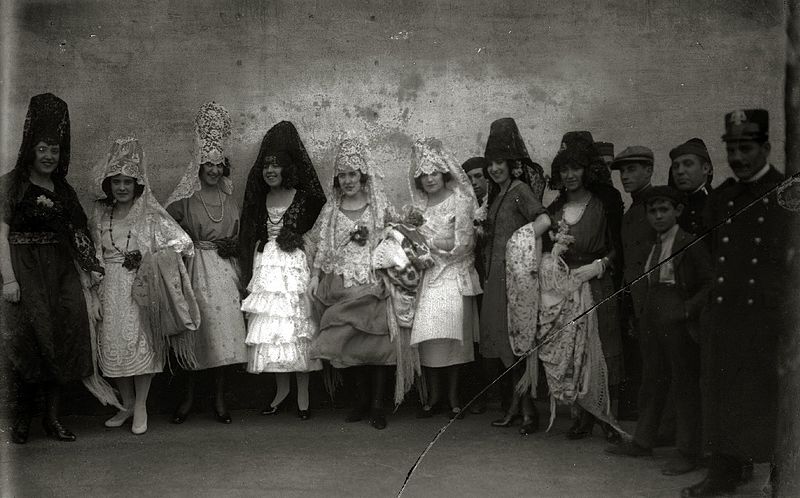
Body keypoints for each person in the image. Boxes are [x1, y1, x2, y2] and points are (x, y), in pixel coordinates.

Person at [682, 109, 793, 497]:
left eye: (746, 148)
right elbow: (704, 252)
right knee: (723, 394)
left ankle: (784, 477)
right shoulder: (725, 197)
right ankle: (724, 473)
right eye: (732, 149)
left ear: (765, 147)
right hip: (727, 316)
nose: (738, 158)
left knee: (775, 401)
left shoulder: (787, 193)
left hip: (770, 318)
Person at [1, 93, 105, 443]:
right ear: (31, 147)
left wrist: (92, 267)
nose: (48, 156)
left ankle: (52, 418)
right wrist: (9, 278)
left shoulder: (63, 189)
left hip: (60, 275)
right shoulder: (10, 185)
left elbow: (80, 232)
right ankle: (21, 420)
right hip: (25, 271)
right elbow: (0, 234)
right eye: (43, 148)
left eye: (55, 150)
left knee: (62, 340)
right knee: (28, 342)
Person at [91, 137, 195, 435]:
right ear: (109, 184)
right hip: (109, 287)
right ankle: (126, 404)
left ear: (137, 183)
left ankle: (141, 406)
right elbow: (95, 254)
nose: (122, 187)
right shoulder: (101, 213)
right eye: (116, 182)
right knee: (115, 347)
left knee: (141, 345)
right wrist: (95, 290)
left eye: (128, 182)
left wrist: (149, 259)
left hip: (141, 288)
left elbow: (183, 245)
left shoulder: (149, 213)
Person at [606, 186, 711, 476]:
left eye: (664, 209)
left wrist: (688, 309)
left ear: (677, 211)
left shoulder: (690, 243)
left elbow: (710, 283)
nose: (658, 216)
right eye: (652, 211)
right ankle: (643, 440)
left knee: (684, 384)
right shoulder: (654, 245)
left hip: (677, 320)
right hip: (652, 317)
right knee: (651, 380)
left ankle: (689, 451)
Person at [166, 102, 247, 425]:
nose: (213, 170)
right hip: (196, 270)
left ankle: (219, 398)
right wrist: (184, 240)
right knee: (196, 332)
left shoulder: (230, 202)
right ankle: (187, 398)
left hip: (225, 271)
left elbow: (241, 233)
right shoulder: (186, 200)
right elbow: (166, 227)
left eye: (218, 165)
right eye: (208, 164)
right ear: (198, 166)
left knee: (224, 334)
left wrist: (233, 245)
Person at [239, 121, 326, 420]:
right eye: (266, 166)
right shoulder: (261, 197)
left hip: (294, 264)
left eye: (276, 166)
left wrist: (299, 238)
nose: (270, 171)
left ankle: (302, 394)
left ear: (288, 169)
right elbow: (253, 230)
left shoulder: (304, 197)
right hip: (267, 264)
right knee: (274, 328)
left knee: (297, 326)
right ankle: (282, 390)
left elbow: (318, 228)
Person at [540, 131, 623, 441]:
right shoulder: (555, 209)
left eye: (576, 168)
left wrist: (601, 264)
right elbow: (545, 251)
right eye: (564, 169)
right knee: (573, 348)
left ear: (587, 170)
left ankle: (606, 415)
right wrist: (554, 256)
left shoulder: (603, 203)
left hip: (597, 282)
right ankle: (581, 416)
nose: (570, 175)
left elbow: (619, 245)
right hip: (567, 286)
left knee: (601, 347)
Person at [308, 138, 396, 430]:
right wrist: (315, 275)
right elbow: (323, 245)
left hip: (373, 281)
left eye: (353, 174)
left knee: (376, 342)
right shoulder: (333, 210)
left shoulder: (378, 207)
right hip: (343, 282)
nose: (347, 181)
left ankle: (378, 405)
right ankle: (360, 400)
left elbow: (394, 237)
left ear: (363, 176)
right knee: (352, 342)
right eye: (342, 175)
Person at [479, 118, 549, 435]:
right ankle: (517, 408)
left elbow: (544, 221)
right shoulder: (498, 194)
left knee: (516, 341)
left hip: (514, 275)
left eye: (500, 163)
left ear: (512, 164)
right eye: (490, 163)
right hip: (495, 275)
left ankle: (527, 411)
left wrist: (521, 244)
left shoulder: (519, 190)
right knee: (503, 342)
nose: (495, 169)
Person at [409, 138, 482, 420]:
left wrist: (433, 250)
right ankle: (434, 395)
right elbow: (411, 242)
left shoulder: (461, 200)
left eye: (434, 173)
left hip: (452, 275)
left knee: (454, 340)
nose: (429, 179)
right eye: (424, 174)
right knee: (429, 337)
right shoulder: (418, 207)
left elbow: (465, 243)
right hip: (427, 278)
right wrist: (418, 254)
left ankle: (453, 396)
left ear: (444, 174)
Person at [612, 146, 655, 422]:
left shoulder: (655, 205)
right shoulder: (632, 210)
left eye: (632, 170)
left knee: (651, 360)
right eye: (622, 171)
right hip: (632, 293)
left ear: (649, 170)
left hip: (649, 294)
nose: (625, 177)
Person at [460, 156, 489, 415]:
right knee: (474, 335)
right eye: (469, 179)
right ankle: (475, 393)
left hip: (492, 273)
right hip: (473, 275)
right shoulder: (465, 205)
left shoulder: (493, 204)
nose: (474, 183)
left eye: (479, 176)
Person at [668, 138, 714, 236]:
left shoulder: (718, 204)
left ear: (706, 168)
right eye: (675, 166)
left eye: (688, 164)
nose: (680, 171)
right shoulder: (671, 208)